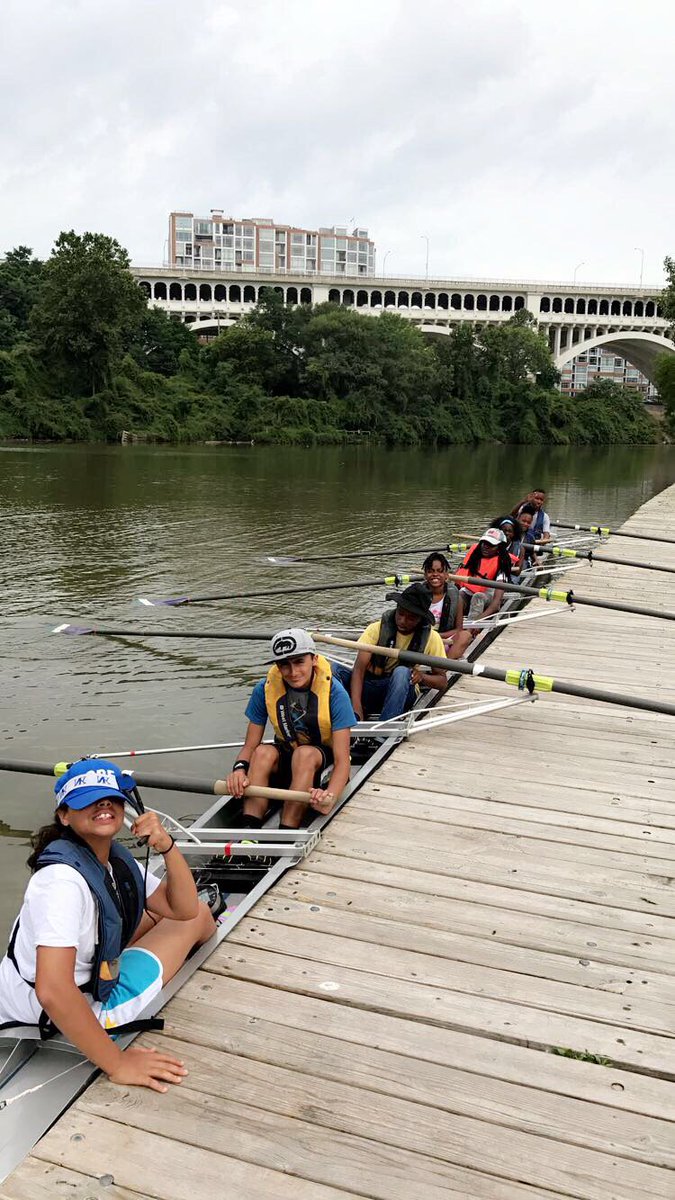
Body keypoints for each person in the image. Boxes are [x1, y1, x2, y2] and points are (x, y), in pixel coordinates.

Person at [0, 759, 216, 1093]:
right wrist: (118, 1063)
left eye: (111, 799)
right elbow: (53, 990)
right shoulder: (60, 883)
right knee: (203, 917)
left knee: (170, 914)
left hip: (32, 994)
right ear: (64, 815)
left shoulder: (111, 858)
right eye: (89, 799)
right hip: (58, 1016)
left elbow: (180, 907)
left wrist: (167, 846)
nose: (103, 805)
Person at [226, 628, 355, 830]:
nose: (293, 672)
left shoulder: (335, 693)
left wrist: (330, 796)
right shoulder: (264, 689)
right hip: (289, 756)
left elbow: (343, 761)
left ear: (314, 659)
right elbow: (250, 746)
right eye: (284, 665)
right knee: (262, 752)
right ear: (277, 666)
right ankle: (248, 830)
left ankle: (287, 829)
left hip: (322, 764)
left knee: (304, 754)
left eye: (299, 662)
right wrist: (239, 770)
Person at [332, 582, 448, 722]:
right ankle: (343, 715)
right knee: (333, 669)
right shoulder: (376, 629)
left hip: (402, 691)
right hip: (370, 687)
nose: (402, 621)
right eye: (400, 614)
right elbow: (359, 669)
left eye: (411, 618)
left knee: (402, 672)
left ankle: (386, 725)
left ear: (420, 619)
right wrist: (357, 708)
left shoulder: (432, 637)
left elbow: (442, 682)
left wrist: (422, 677)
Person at [422, 551, 472, 659]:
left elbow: (458, 629)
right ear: (425, 575)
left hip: (443, 639)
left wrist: (436, 636)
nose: (435, 574)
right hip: (421, 640)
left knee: (466, 635)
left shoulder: (456, 598)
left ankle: (444, 664)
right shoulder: (417, 595)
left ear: (446, 575)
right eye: (430, 571)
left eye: (440, 571)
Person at [455, 527, 512, 621]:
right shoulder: (475, 557)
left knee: (478, 596)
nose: (486, 547)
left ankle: (471, 625)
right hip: (469, 592)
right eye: (484, 543)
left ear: (499, 547)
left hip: (488, 597)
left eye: (491, 544)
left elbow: (496, 603)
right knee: (456, 594)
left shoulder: (502, 563)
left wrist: (477, 620)